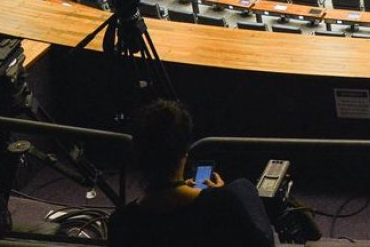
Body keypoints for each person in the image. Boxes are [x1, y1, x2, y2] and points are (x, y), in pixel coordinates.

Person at [109, 99, 274, 247]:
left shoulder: (121, 223)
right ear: (185, 152)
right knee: (243, 186)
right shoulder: (220, 203)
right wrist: (217, 196)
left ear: (137, 154)